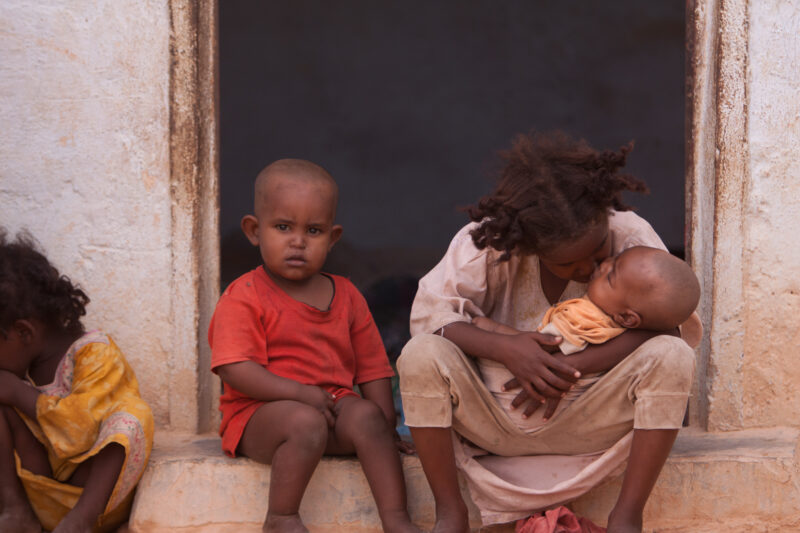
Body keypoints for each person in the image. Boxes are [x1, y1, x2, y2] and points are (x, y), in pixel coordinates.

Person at [397, 131, 699, 533]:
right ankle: (450, 514)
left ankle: (627, 517)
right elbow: (430, 317)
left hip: (590, 418)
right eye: (570, 264)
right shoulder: (493, 239)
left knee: (674, 356)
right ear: (531, 249)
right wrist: (508, 351)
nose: (591, 268)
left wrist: (573, 366)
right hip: (498, 419)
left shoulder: (629, 235)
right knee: (421, 354)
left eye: (599, 253)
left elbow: (671, 330)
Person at [209, 159, 421, 533]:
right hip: (260, 419)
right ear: (254, 231)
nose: (298, 241)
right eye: (283, 227)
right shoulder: (243, 295)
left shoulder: (348, 295)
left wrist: (386, 431)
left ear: (332, 237)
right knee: (304, 421)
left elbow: (373, 368)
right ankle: (281, 517)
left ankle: (397, 520)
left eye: (313, 230)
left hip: (330, 410)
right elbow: (235, 368)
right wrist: (299, 393)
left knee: (369, 416)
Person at [0, 230, 154, 533]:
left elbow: (82, 431)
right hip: (42, 495)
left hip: (92, 498)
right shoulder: (21, 368)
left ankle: (79, 523)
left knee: (133, 418)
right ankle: (14, 510)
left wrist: (18, 394)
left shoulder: (95, 353)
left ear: (24, 332)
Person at [473, 245, 700, 427]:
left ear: (628, 318)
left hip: (524, 409)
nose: (604, 265)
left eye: (610, 277)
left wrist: (492, 331)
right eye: (615, 259)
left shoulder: (587, 320)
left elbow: (543, 347)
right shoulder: (630, 327)